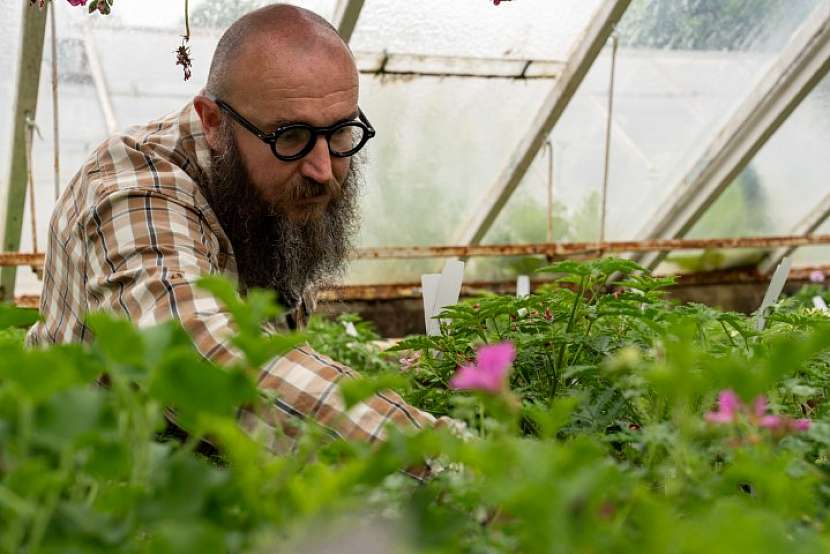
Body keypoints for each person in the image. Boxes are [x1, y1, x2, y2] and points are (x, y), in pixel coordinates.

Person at [27, 3, 443, 452]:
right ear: (213, 122)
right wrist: (440, 456)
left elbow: (274, 358)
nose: (323, 168)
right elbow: (198, 354)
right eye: (291, 137)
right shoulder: (135, 186)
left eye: (341, 131)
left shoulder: (272, 189)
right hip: (82, 487)